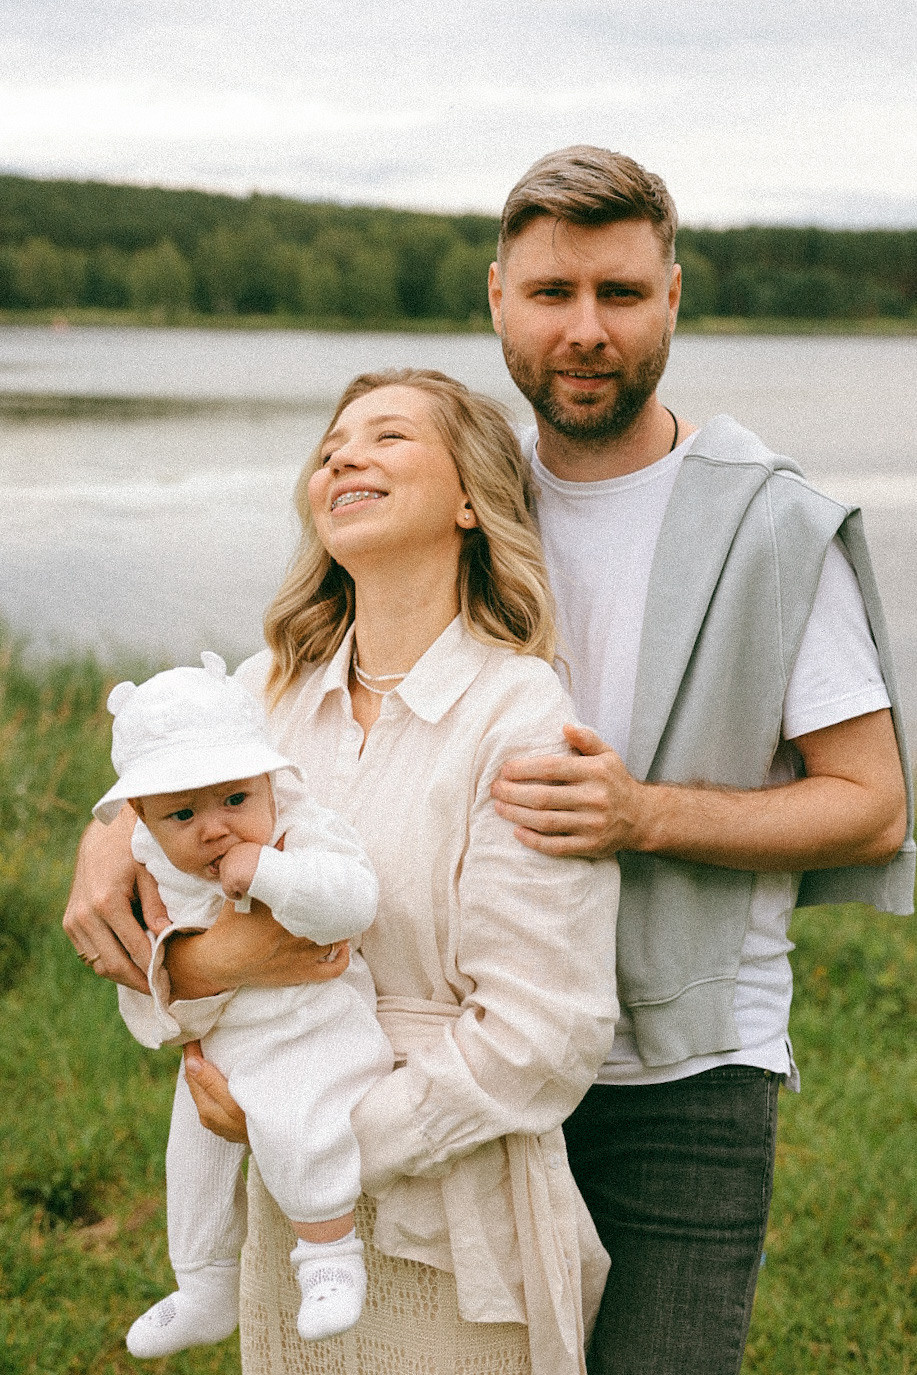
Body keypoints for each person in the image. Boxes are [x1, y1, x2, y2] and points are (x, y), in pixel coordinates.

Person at [64, 368, 621, 1375]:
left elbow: (546, 1033)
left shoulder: (519, 714)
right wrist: (119, 851)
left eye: (388, 437)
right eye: (330, 446)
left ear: (469, 500)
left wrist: (321, 1135)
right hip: (282, 1223)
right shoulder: (258, 700)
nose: (343, 455)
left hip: (451, 1225)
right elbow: (152, 891)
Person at [485, 146, 914, 1375]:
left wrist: (640, 813)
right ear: (495, 300)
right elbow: (284, 696)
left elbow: (869, 807)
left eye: (619, 294)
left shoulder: (771, 522)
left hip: (683, 1075)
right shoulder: (454, 494)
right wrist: (112, 822)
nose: (584, 330)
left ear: (673, 296)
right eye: (551, 293)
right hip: (469, 1046)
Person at [91, 651, 393, 1356]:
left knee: (297, 1123)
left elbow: (356, 898)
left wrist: (275, 875)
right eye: (182, 813)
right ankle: (203, 1282)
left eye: (234, 799)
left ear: (266, 779)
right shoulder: (155, 859)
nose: (215, 828)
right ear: (141, 818)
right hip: (220, 1043)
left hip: (310, 1031)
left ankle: (328, 1256)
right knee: (189, 1160)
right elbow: (151, 967)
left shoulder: (299, 828)